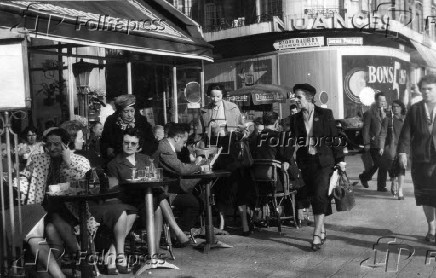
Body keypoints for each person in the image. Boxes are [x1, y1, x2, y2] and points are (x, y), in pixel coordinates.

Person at [107, 128, 192, 248]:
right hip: (129, 201)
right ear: (121, 143)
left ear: (138, 145)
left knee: (156, 197)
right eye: (126, 143)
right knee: (158, 199)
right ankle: (174, 232)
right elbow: (114, 190)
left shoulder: (145, 159)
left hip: (147, 198)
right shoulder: (114, 164)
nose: (129, 146)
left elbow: (154, 177)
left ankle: (155, 250)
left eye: (133, 143)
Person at [289, 83, 344, 251]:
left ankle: (315, 235)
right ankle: (322, 228)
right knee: (315, 196)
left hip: (324, 162)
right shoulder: (294, 119)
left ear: (310, 98)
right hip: (306, 163)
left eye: (299, 97)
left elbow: (334, 138)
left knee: (320, 194)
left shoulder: (325, 114)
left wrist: (340, 160)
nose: (296, 100)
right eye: (295, 97)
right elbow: (293, 142)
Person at [398, 74, 436, 243]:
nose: (426, 92)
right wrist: (402, 153)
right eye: (423, 89)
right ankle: (432, 228)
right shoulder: (415, 109)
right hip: (421, 162)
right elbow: (405, 133)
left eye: (430, 89)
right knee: (426, 197)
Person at [156, 123, 209, 233]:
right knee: (195, 203)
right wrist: (200, 167)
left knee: (198, 201)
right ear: (176, 138)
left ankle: (180, 231)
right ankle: (179, 234)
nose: (184, 145)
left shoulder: (167, 146)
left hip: (169, 188)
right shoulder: (164, 148)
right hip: (163, 192)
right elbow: (181, 169)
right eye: (184, 142)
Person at [100, 94, 154, 163]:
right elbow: (104, 142)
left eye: (132, 111)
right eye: (126, 111)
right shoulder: (111, 121)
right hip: (117, 161)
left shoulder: (142, 121)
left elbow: (151, 142)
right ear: (120, 111)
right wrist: (109, 150)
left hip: (139, 159)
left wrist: (140, 150)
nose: (129, 115)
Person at [359, 92, 389, 192]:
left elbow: (385, 130)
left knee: (379, 164)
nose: (383, 102)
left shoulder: (386, 113)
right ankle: (380, 185)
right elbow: (366, 129)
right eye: (381, 100)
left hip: (383, 143)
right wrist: (366, 143)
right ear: (376, 101)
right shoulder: (369, 113)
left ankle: (365, 177)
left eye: (384, 101)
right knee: (381, 164)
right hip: (372, 144)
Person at [380, 100, 406, 200]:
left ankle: (400, 190)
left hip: (403, 147)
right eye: (393, 107)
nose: (395, 108)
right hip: (391, 147)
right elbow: (383, 134)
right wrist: (381, 147)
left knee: (401, 167)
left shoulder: (405, 119)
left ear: (401, 107)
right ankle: (394, 181)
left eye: (397, 106)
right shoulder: (388, 119)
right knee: (392, 167)